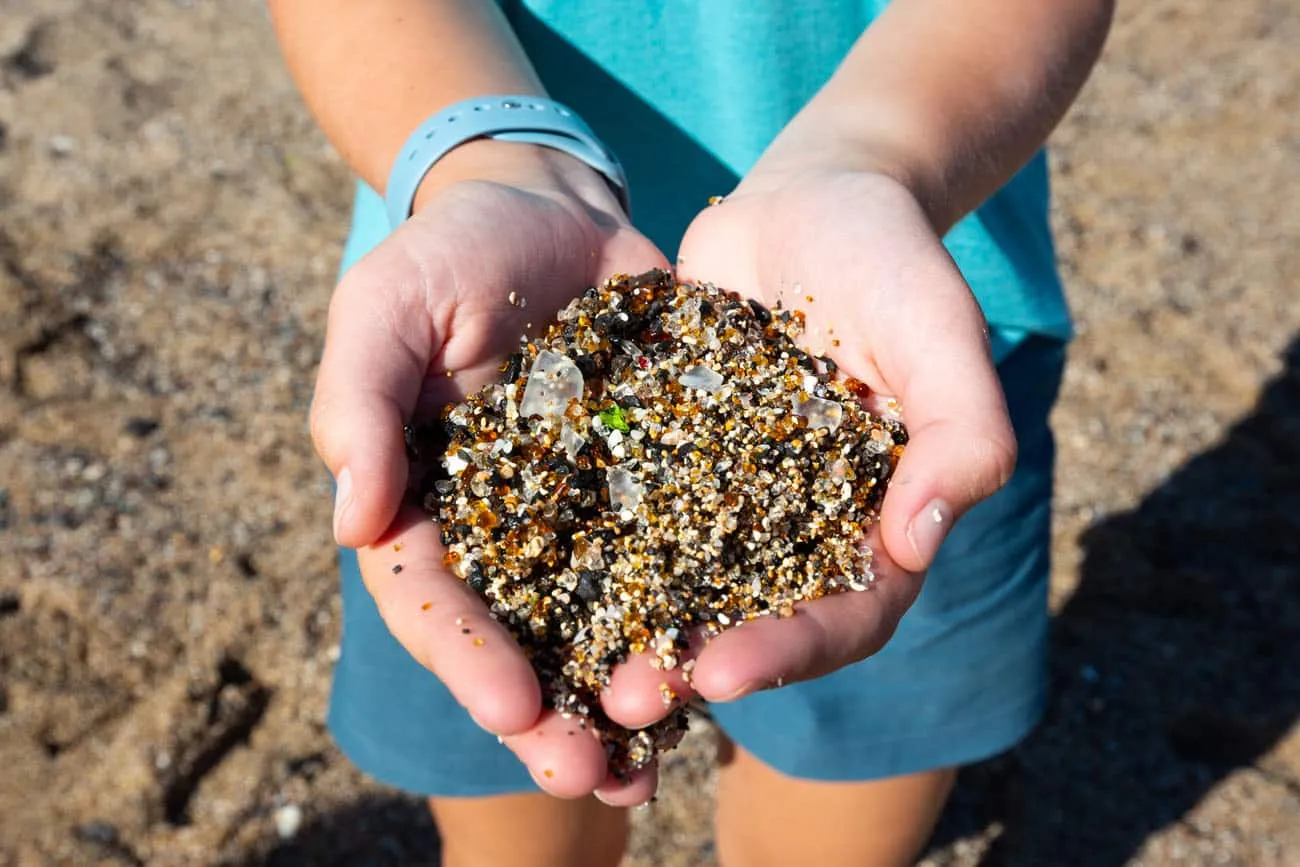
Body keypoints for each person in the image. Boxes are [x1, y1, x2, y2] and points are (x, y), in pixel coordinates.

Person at [269, 1, 1113, 865]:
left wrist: (872, 161)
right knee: (519, 802)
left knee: (845, 809)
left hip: (892, 353)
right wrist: (490, 158)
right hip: (472, 343)